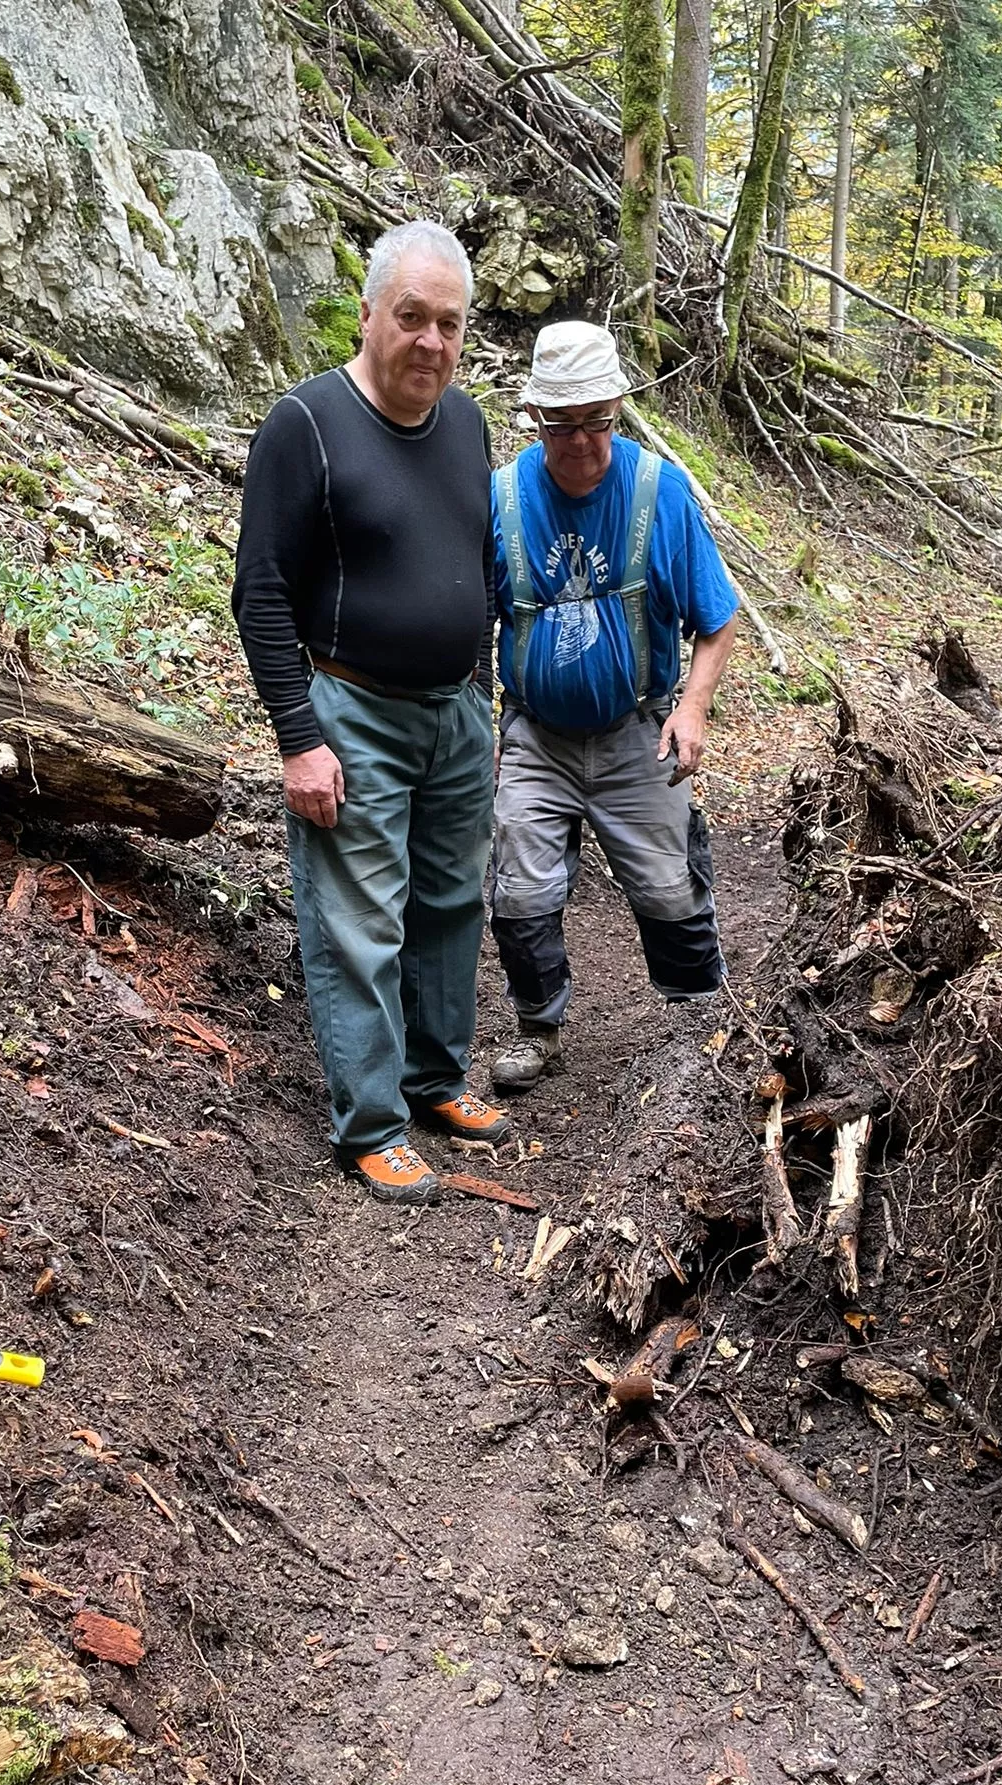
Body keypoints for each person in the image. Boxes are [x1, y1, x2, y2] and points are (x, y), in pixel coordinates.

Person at [232, 221, 511, 1203]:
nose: (430, 342)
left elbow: (478, 564)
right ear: (368, 313)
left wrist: (480, 694)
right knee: (361, 923)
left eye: (449, 323)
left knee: (446, 910)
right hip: (350, 710)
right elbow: (260, 591)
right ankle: (371, 1122)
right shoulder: (304, 423)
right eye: (411, 318)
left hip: (456, 715)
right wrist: (298, 738)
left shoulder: (468, 424)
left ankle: (435, 1079)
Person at [487, 322, 740, 1092]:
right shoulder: (500, 498)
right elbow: (464, 621)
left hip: (638, 730)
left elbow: (717, 617)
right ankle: (539, 1028)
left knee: (668, 888)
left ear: (618, 410)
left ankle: (702, 1029)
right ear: (534, 419)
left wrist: (692, 709)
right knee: (520, 890)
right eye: (562, 425)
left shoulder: (659, 494)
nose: (581, 442)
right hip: (536, 733)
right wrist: (479, 724)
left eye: (597, 421)